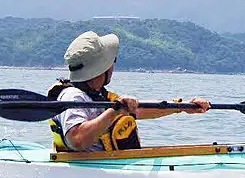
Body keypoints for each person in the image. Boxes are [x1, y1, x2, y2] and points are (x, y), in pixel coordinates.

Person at [48, 31, 210, 152]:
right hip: (88, 172)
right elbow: (76, 140)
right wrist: (113, 112)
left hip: (107, 166)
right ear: (101, 69)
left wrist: (181, 106)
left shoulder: (96, 95)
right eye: (112, 62)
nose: (113, 67)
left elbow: (139, 109)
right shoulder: (73, 96)